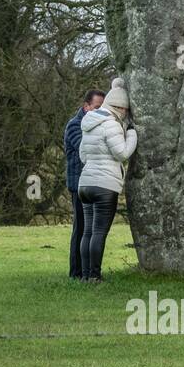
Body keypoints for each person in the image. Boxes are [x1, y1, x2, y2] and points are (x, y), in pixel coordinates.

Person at [76, 77, 137, 282]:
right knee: (99, 232)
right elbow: (122, 153)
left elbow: (83, 155)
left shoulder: (89, 123)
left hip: (85, 184)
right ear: (121, 108)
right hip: (105, 186)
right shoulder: (111, 124)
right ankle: (95, 276)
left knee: (87, 232)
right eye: (125, 111)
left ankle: (85, 276)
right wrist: (131, 135)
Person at [64, 88, 105, 279]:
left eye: (102, 108)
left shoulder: (94, 125)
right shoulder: (75, 125)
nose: (99, 111)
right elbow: (86, 150)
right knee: (80, 229)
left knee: (92, 230)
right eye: (96, 107)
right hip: (79, 185)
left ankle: (89, 272)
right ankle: (76, 273)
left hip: (92, 183)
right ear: (86, 106)